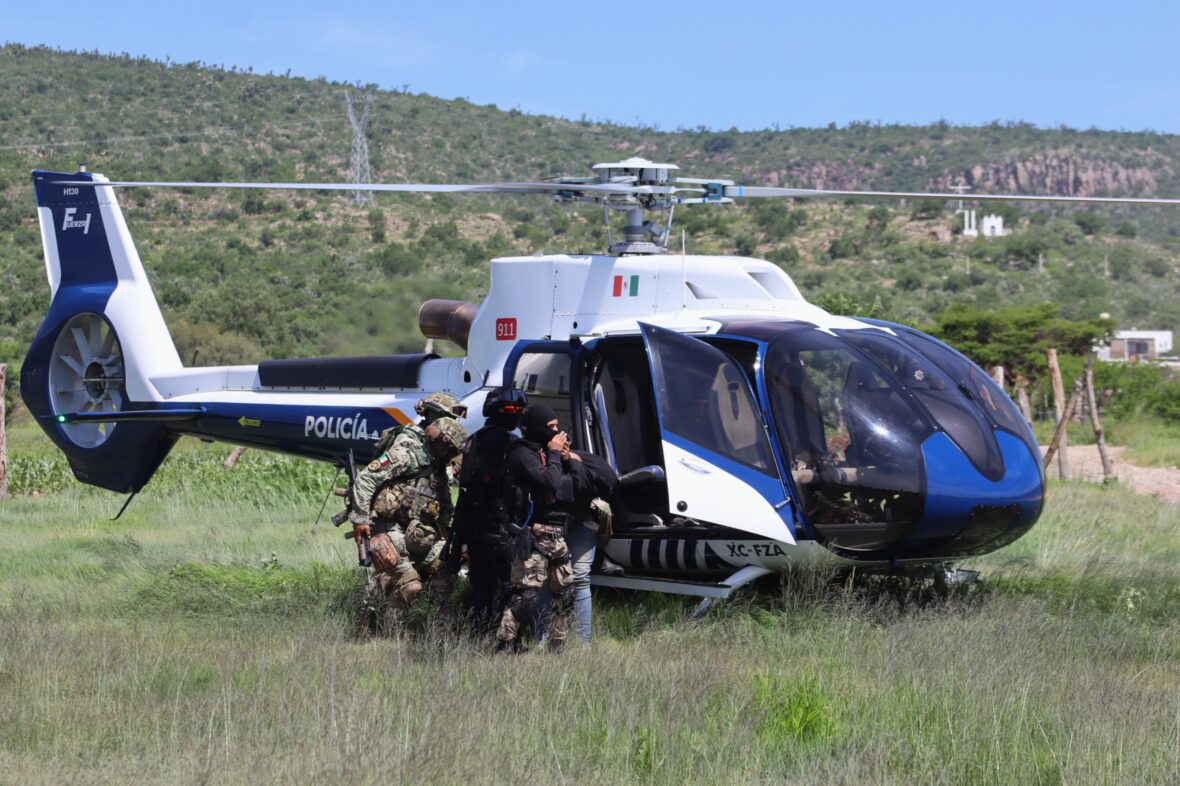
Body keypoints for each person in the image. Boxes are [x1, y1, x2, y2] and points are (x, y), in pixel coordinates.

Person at [349, 393, 468, 629]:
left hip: (422, 532)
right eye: (446, 419)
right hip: (390, 527)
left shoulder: (440, 453)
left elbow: (443, 504)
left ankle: (441, 635)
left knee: (445, 572)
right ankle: (392, 635)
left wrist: (451, 541)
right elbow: (366, 479)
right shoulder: (409, 448)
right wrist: (360, 520)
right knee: (410, 585)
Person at [496, 404, 588, 652]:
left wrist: (567, 458)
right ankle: (506, 645)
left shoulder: (548, 453)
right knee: (526, 596)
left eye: (557, 426)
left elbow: (580, 485)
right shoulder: (522, 454)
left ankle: (558, 645)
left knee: (565, 594)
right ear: (535, 428)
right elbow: (548, 483)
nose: (556, 432)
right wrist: (557, 455)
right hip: (534, 535)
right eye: (551, 427)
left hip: (558, 534)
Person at [444, 387, 528, 636]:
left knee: (481, 586)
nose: (516, 415)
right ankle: (505, 641)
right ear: (499, 411)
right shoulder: (506, 442)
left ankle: (479, 635)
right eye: (513, 410)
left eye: (519, 411)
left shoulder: (475, 439)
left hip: (476, 525)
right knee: (509, 585)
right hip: (498, 525)